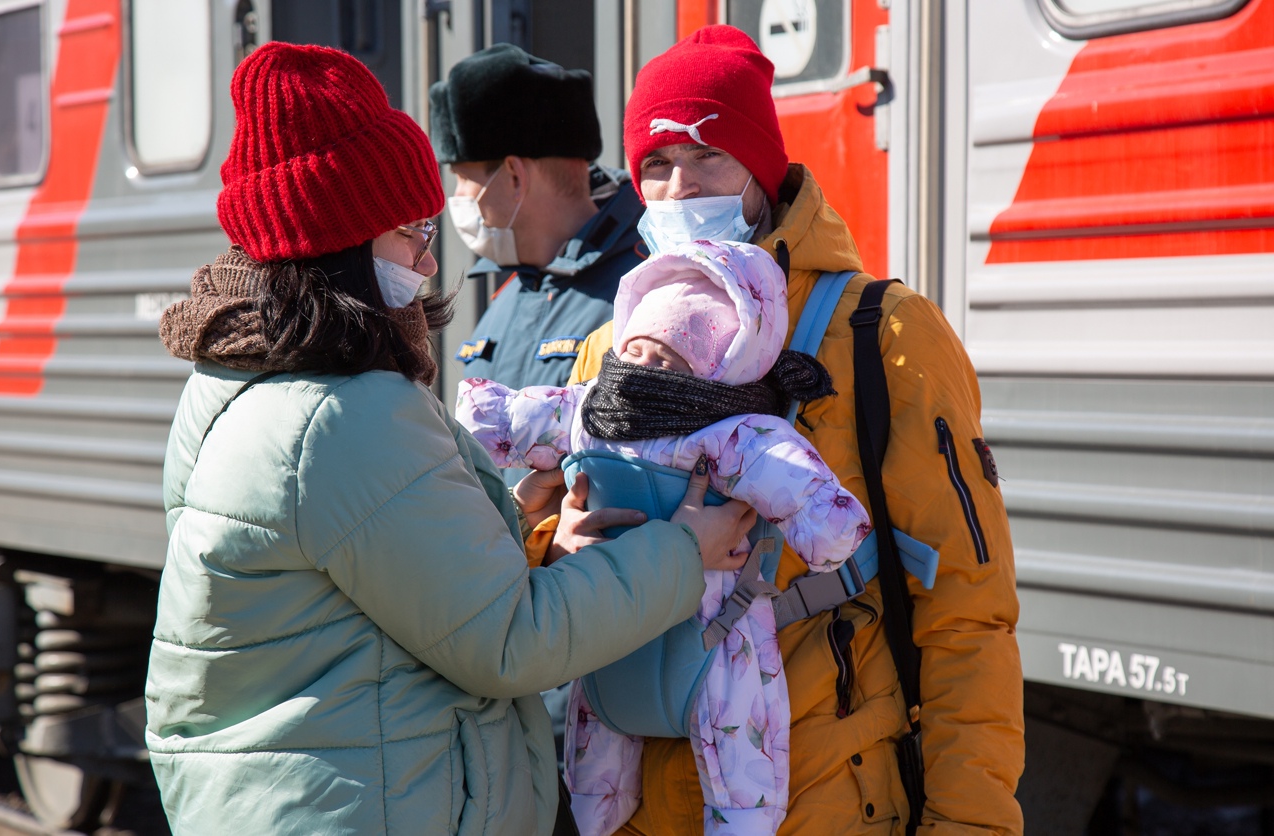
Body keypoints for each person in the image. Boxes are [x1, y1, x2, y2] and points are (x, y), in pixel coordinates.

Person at [143, 42, 757, 836]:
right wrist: (683, 551)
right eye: (408, 235)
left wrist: (504, 517)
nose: (429, 261)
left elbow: (379, 571)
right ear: (340, 244)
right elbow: (509, 642)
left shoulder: (236, 379)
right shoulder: (338, 413)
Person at [565, 25, 1026, 835]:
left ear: (762, 171)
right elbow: (542, 536)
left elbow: (966, 605)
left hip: (825, 800)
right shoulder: (613, 346)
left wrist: (970, 822)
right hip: (643, 806)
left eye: (707, 157)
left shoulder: (882, 333)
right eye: (656, 166)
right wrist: (555, 541)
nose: (678, 189)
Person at [457, 240, 874, 835]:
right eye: (637, 353)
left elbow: (788, 474)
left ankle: (744, 821)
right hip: (610, 625)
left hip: (716, 627)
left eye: (669, 361)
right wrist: (486, 415)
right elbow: (527, 417)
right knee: (594, 735)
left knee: (739, 731)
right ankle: (595, 815)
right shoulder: (595, 412)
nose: (645, 371)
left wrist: (830, 529)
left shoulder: (730, 432)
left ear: (716, 367)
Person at [429, 44, 647, 391]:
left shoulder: (642, 289)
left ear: (514, 175)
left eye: (464, 177)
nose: (456, 197)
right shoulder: (508, 296)